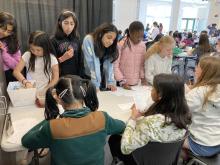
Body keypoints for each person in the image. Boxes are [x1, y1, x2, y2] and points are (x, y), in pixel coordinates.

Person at [22, 75, 125, 165]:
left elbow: (26, 141)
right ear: (84, 93)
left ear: (57, 98)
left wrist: (48, 120)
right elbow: (122, 127)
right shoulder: (102, 118)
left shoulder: (52, 127)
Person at [109, 74, 191, 164]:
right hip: (167, 158)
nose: (151, 91)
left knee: (114, 139)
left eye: (153, 89)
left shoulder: (150, 123)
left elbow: (125, 148)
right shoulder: (185, 116)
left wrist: (132, 119)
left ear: (160, 95)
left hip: (143, 160)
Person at [183, 56, 220, 157]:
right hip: (217, 143)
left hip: (202, 146)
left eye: (198, 67)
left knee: (170, 136)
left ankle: (185, 157)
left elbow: (179, 111)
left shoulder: (198, 93)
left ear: (204, 72)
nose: (195, 69)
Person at [13, 31, 59, 95]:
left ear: (46, 47)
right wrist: (25, 82)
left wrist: (46, 89)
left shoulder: (52, 59)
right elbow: (16, 72)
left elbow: (55, 78)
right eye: (32, 49)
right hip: (30, 90)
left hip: (45, 91)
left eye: (38, 50)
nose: (35, 52)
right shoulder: (27, 55)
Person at [51, 10, 88, 79]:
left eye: (72, 24)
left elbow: (81, 62)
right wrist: (63, 58)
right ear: (60, 23)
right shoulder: (53, 40)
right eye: (66, 23)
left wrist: (82, 79)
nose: (69, 27)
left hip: (76, 79)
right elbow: (49, 64)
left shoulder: (77, 40)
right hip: (60, 79)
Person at [82, 23, 118, 91]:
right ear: (101, 34)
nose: (111, 42)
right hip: (87, 77)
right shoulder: (89, 40)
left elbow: (109, 65)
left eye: (113, 39)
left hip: (100, 77)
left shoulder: (109, 46)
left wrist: (111, 81)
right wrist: (95, 85)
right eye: (109, 37)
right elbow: (92, 64)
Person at [114, 21, 146, 89]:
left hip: (136, 83)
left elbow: (142, 65)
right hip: (122, 83)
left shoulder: (143, 46)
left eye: (141, 36)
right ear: (130, 33)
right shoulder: (121, 44)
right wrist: (122, 82)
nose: (140, 39)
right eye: (137, 36)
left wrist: (143, 77)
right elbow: (115, 66)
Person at [0, 12, 21, 85]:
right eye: (3, 29)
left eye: (9, 31)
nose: (5, 33)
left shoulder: (13, 43)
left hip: (9, 76)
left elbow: (17, 65)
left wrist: (4, 52)